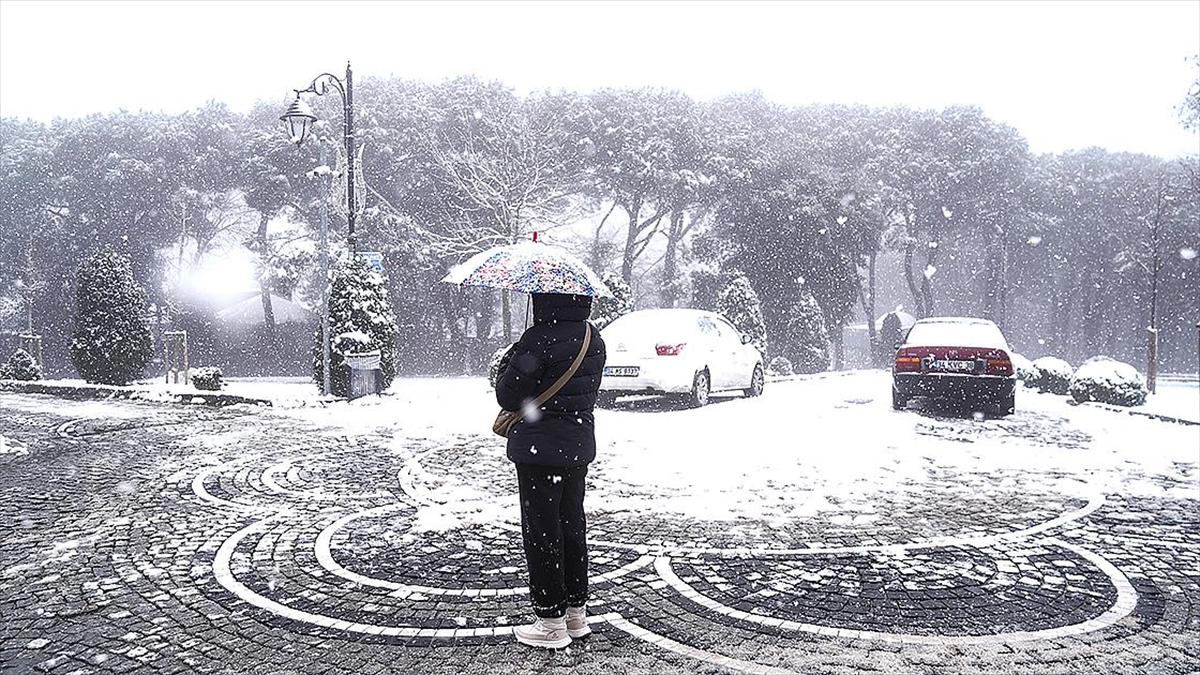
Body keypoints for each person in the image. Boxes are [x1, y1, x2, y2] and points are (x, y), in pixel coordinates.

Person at [494, 292, 607, 649]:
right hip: (576, 446)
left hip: (539, 449)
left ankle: (550, 622)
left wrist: (511, 359)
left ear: (544, 301)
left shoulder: (537, 339)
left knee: (543, 532)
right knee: (572, 527)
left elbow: (509, 397)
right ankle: (576, 613)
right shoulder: (593, 338)